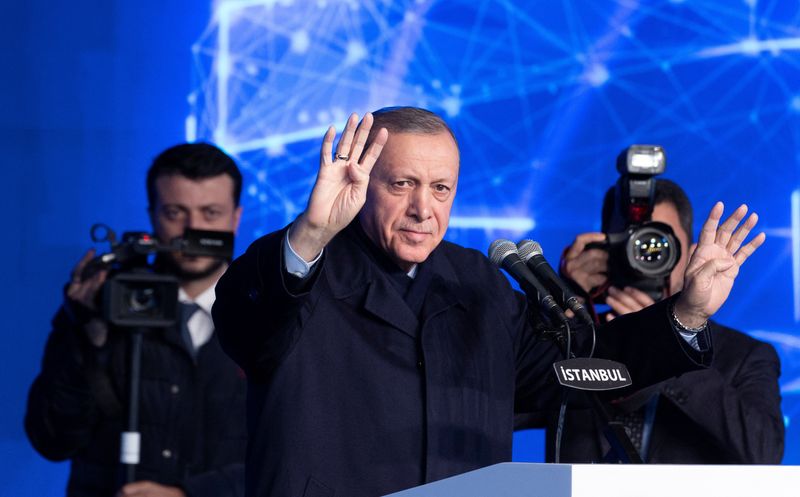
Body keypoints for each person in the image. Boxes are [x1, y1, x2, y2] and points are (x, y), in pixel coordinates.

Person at [212, 107, 765, 497]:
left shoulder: (476, 279)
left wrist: (688, 313)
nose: (422, 209)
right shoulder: (304, 268)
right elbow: (245, 325)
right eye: (402, 184)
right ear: (358, 183)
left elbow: (578, 373)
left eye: (441, 188)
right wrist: (310, 233)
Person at [25, 143, 248, 497]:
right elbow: (52, 439)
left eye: (210, 213)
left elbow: (296, 452)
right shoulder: (103, 303)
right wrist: (84, 332)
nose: (192, 230)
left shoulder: (271, 311)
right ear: (152, 215)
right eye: (175, 213)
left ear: (235, 218)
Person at [544, 178, 784, 463]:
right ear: (606, 252)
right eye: (634, 246)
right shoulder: (580, 342)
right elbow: (498, 408)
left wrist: (673, 340)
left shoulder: (747, 355)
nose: (646, 259)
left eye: (660, 246)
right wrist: (563, 305)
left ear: (693, 255)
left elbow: (764, 452)